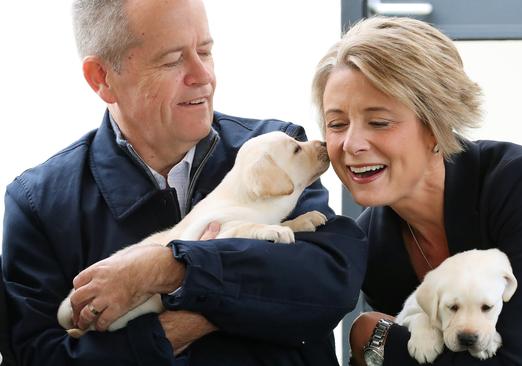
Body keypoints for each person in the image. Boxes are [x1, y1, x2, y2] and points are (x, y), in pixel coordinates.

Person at [1, 0, 368, 365]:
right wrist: (192, 321)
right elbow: (39, 356)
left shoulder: (275, 148)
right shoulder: (39, 203)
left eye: (205, 51)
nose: (203, 75)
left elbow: (327, 284)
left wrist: (167, 269)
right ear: (102, 78)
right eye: (173, 59)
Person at [311, 16, 522, 366]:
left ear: (436, 125)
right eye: (336, 124)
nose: (350, 144)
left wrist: (376, 337)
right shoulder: (373, 240)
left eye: (379, 122)